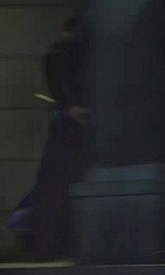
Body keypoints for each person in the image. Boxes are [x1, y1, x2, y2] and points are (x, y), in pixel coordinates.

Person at [8, 15, 91, 260]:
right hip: (71, 127)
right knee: (58, 182)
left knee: (54, 182)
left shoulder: (64, 50)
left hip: (69, 125)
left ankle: (42, 240)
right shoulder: (68, 49)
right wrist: (70, 106)